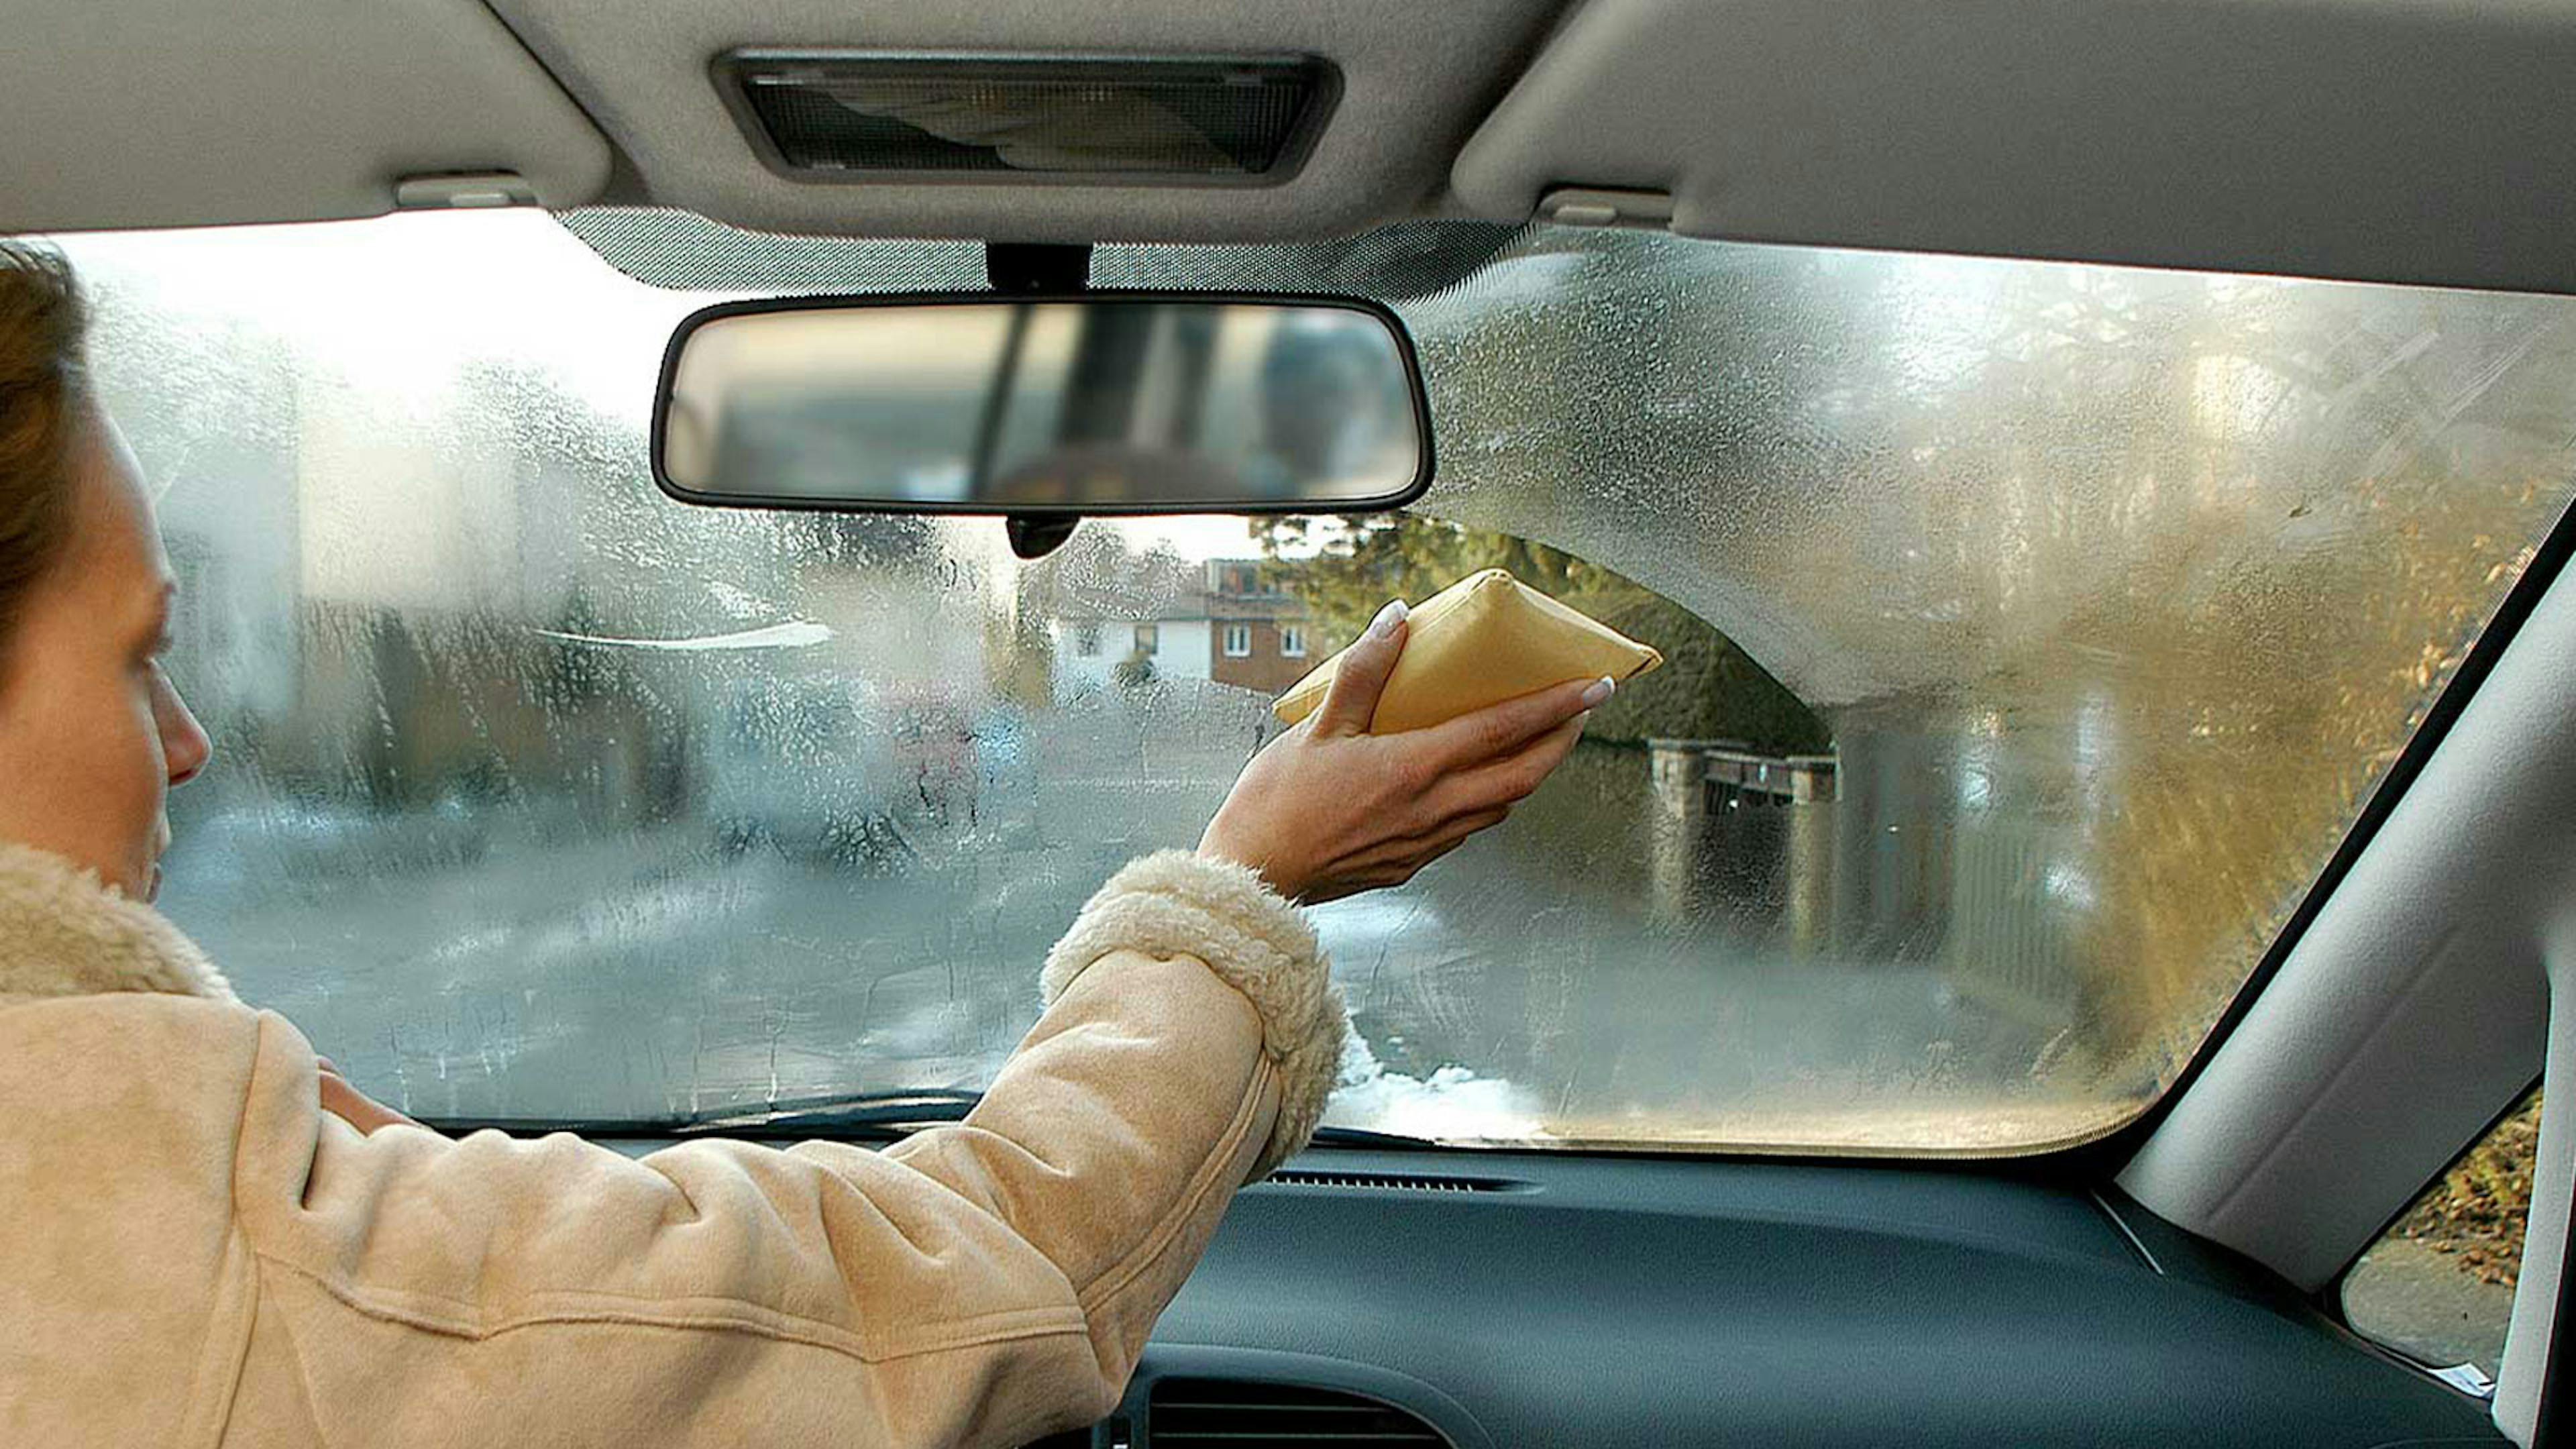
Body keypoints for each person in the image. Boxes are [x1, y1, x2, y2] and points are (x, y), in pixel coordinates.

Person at [0, 241, 1611, 1446]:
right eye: (141, 650)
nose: (191, 739)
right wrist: (1246, 884)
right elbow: (973, 1285)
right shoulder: (170, 1222)